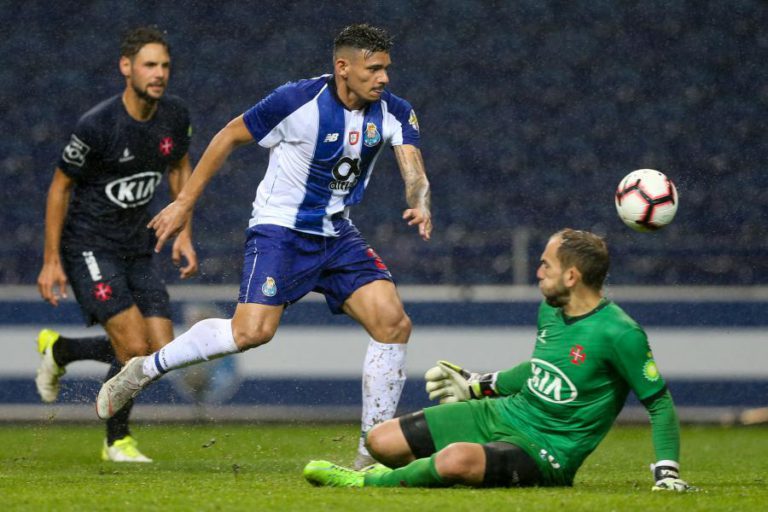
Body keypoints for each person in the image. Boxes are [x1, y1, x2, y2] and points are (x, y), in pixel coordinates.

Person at [96, 23, 432, 468]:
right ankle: (143, 370)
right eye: (373, 69)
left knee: (393, 323)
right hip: (280, 233)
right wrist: (183, 203)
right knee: (251, 333)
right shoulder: (297, 101)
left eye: (386, 69)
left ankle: (371, 454)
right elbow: (226, 137)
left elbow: (413, 168)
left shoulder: (393, 111)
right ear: (343, 67)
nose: (384, 78)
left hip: (336, 235)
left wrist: (420, 201)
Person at [303, 229, 696, 491]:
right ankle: (430, 471)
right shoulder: (552, 309)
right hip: (504, 414)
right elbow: (538, 370)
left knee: (457, 459)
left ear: (572, 276)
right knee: (381, 440)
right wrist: (478, 385)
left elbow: (659, 403)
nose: (539, 271)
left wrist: (666, 471)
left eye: (546, 265)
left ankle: (367, 484)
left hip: (547, 452)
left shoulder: (619, 333)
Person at [35, 26, 198, 462]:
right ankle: (117, 442)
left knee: (161, 352)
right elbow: (58, 188)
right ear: (126, 68)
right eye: (149, 64)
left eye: (164, 65)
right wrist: (51, 260)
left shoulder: (174, 116)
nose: (159, 73)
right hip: (89, 245)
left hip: (137, 244)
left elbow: (180, 167)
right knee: (132, 350)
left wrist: (184, 231)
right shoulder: (98, 125)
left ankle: (63, 349)